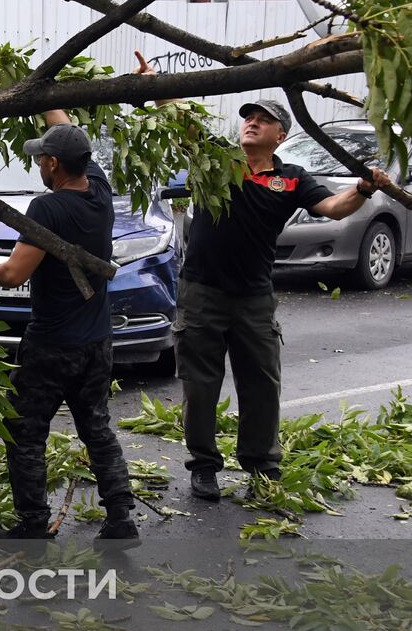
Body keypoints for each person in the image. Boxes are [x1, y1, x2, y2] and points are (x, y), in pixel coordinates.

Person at [153, 89, 392, 500]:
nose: (252, 122)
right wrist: (157, 89)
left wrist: (365, 188)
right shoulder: (218, 162)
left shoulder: (293, 177)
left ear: (279, 135)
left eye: (263, 119)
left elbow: (335, 207)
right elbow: (184, 127)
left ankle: (262, 465)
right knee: (200, 385)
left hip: (255, 298)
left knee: (262, 384)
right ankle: (204, 466)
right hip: (201, 292)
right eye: (248, 117)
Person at [0, 114, 138, 548]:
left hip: (51, 345)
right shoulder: (99, 191)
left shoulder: (47, 208)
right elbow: (67, 124)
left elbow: (11, 275)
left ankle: (32, 524)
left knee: (25, 431)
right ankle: (121, 517)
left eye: (41, 158)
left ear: (51, 164)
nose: (38, 165)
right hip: (97, 342)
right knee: (97, 427)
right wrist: (44, 97)